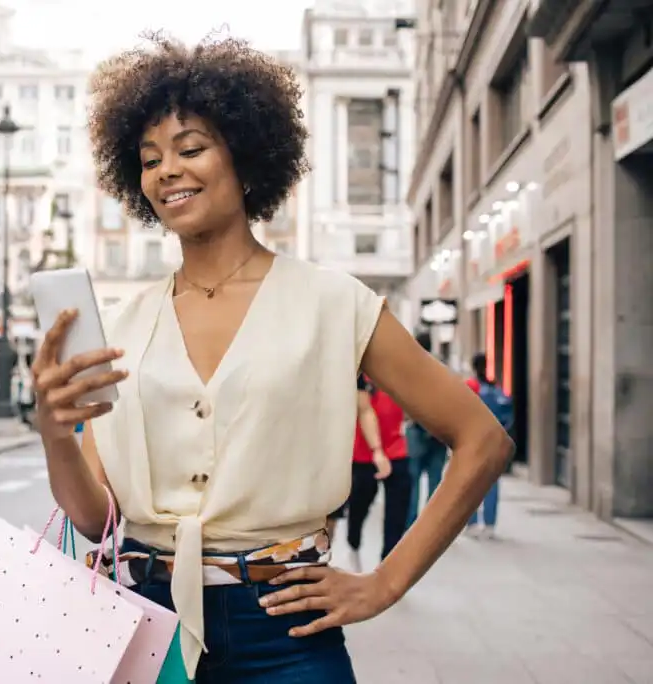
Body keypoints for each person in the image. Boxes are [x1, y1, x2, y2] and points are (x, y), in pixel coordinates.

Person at [31, 35, 514, 682]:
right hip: (143, 625)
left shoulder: (335, 304)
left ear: (248, 161)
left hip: (285, 633)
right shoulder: (122, 325)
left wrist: (386, 584)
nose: (167, 170)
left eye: (192, 148)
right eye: (149, 160)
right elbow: (94, 520)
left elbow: (482, 440)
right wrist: (56, 430)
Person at [345, 374, 412, 571]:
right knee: (359, 505)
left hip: (396, 448)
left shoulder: (400, 369)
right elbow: (363, 409)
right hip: (363, 453)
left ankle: (387, 565)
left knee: (397, 511)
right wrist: (377, 450)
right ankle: (353, 542)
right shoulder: (358, 369)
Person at [465, 352, 514, 538]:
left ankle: (472, 523)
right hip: (493, 441)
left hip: (472, 442)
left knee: (471, 483)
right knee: (491, 483)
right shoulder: (496, 390)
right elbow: (508, 416)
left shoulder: (469, 388)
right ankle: (490, 523)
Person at [406, 332, 449, 528]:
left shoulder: (409, 367)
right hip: (439, 432)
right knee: (435, 482)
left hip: (416, 431)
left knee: (413, 481)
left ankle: (411, 524)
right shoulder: (442, 367)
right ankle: (432, 526)